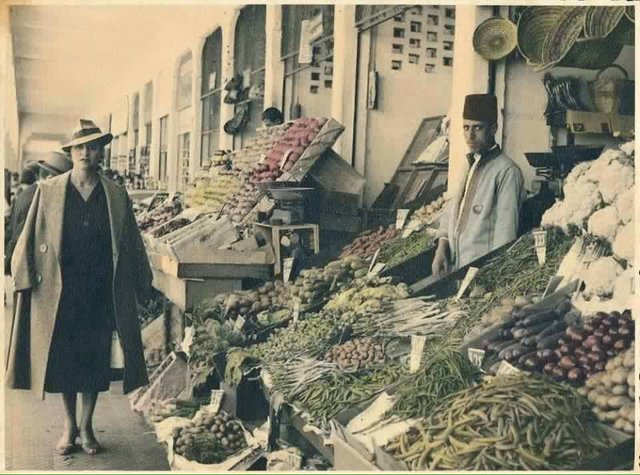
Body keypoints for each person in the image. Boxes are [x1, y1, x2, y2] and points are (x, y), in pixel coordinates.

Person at [7, 119, 152, 456]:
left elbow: (131, 242)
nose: (87, 152)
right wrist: (22, 278)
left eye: (93, 146)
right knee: (64, 361)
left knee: (94, 361)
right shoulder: (49, 190)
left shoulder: (115, 195)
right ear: (70, 152)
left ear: (100, 151)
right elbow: (28, 238)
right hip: (60, 291)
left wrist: (142, 285)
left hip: (100, 290)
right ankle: (69, 425)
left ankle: (87, 428)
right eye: (80, 147)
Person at [432, 94, 524, 277]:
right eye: (466, 128)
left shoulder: (507, 171)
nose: (470, 135)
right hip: (458, 268)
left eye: (477, 128)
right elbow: (452, 210)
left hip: (482, 274)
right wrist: (442, 246)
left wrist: (492, 277)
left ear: (493, 129)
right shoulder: (469, 164)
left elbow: (505, 236)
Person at [5, 151, 73, 274]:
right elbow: (23, 241)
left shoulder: (27, 193)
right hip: (27, 273)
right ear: (50, 178)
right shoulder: (37, 198)